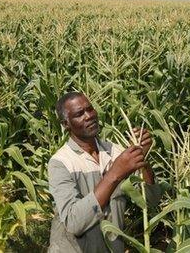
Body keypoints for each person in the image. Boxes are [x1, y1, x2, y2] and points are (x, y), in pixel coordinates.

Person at [47, 92, 162, 253]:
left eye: (90, 109)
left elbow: (151, 200)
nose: (89, 116)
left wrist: (142, 159)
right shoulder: (61, 162)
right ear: (66, 124)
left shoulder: (115, 152)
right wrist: (114, 174)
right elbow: (74, 222)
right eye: (79, 114)